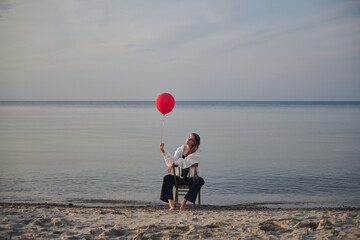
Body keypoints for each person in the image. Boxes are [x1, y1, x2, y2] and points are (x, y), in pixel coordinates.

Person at [159, 133, 205, 210]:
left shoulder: (197, 152)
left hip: (190, 179)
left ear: (194, 143)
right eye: (189, 137)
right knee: (167, 178)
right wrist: (163, 152)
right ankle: (171, 201)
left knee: (200, 180)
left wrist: (174, 163)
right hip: (179, 178)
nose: (188, 139)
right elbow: (173, 160)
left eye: (191, 139)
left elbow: (186, 162)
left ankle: (184, 200)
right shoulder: (180, 149)